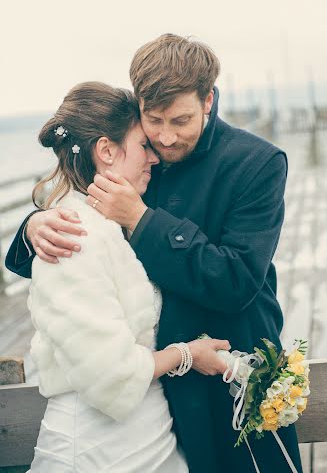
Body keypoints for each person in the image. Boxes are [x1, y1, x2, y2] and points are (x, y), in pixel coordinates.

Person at [7, 34, 303, 473]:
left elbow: (236, 281)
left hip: (229, 377)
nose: (164, 139)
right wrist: (31, 227)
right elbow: (77, 221)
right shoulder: (138, 155)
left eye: (180, 120)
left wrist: (142, 221)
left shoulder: (255, 163)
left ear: (208, 100)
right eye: (154, 120)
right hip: (156, 390)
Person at [20, 81, 230, 472]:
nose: (154, 156)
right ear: (106, 151)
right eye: (142, 145)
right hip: (99, 449)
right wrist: (187, 354)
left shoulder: (109, 222)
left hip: (146, 435)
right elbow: (111, 374)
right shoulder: (73, 235)